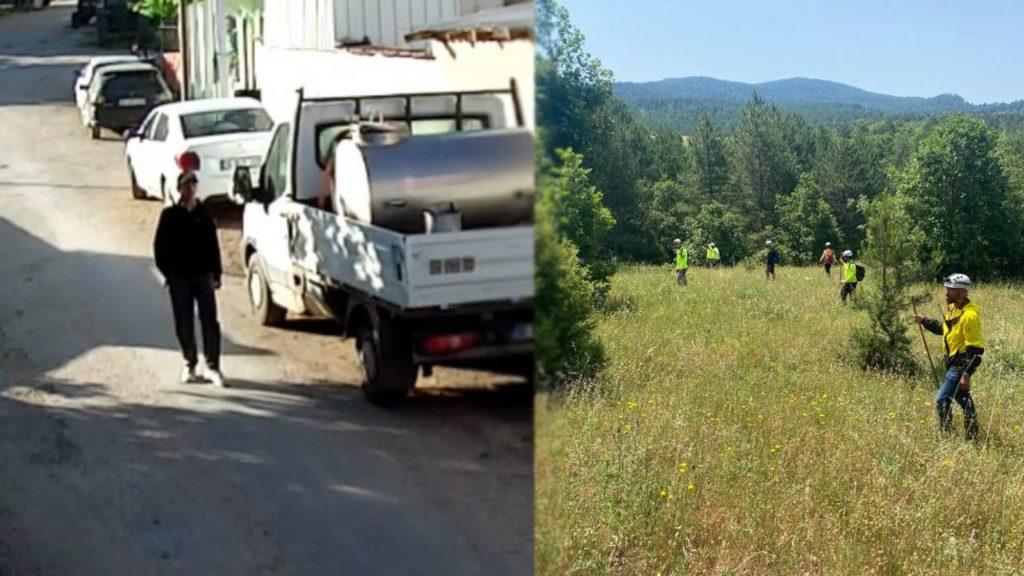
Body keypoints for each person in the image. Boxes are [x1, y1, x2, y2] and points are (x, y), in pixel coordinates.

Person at [153, 171, 225, 386]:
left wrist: (216, 274)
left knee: (210, 322)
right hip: (180, 279)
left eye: (193, 184)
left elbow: (213, 246)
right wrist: (169, 273)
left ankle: (212, 366)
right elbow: (159, 247)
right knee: (184, 323)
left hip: (203, 276)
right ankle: (189, 362)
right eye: (186, 185)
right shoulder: (170, 215)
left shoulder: (204, 214)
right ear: (179, 189)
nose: (190, 188)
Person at [912, 274, 984, 439]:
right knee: (963, 399)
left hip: (960, 364)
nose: (947, 292)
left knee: (942, 399)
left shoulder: (970, 315)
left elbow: (975, 349)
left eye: (951, 289)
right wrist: (924, 321)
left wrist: (966, 374)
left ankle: (947, 435)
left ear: (962, 293)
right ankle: (973, 436)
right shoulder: (953, 308)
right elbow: (944, 329)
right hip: (951, 362)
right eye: (947, 289)